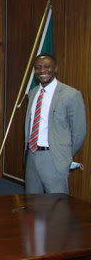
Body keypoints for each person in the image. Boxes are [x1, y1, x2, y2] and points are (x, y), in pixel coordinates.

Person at [24, 54, 86, 194]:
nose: (42, 71)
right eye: (38, 68)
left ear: (55, 68)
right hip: (32, 156)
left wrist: (63, 155)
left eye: (47, 67)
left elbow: (79, 131)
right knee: (32, 205)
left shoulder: (70, 94)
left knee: (57, 207)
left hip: (54, 158)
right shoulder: (33, 93)